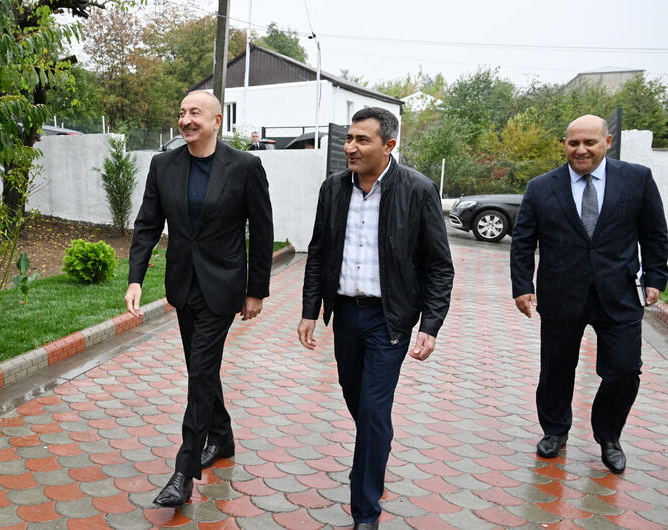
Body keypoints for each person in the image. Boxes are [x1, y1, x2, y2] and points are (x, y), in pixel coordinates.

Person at [297, 107, 454, 529]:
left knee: (372, 410)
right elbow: (318, 252)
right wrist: (310, 310)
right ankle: (376, 443)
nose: (350, 147)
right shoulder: (333, 188)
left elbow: (440, 266)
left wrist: (431, 325)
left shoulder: (418, 190)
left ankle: (365, 510)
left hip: (390, 319)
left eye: (361, 140)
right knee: (359, 402)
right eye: (349, 138)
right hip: (346, 315)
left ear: (389, 145)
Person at [125, 90, 274, 507]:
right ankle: (221, 436)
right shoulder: (164, 165)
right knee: (201, 368)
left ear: (216, 121)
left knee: (200, 372)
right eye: (181, 113)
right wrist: (136, 279)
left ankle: (183, 472)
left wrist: (256, 290)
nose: (186, 120)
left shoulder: (244, 167)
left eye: (195, 113)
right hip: (183, 284)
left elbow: (262, 231)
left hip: (223, 286)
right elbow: (147, 224)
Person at [510, 114, 668, 474]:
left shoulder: (637, 179)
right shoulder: (541, 187)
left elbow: (655, 233)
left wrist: (656, 277)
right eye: (574, 143)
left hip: (619, 293)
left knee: (625, 370)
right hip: (560, 293)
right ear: (565, 144)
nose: (581, 150)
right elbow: (523, 242)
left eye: (590, 142)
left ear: (607, 143)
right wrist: (522, 286)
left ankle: (608, 436)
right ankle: (555, 430)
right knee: (556, 368)